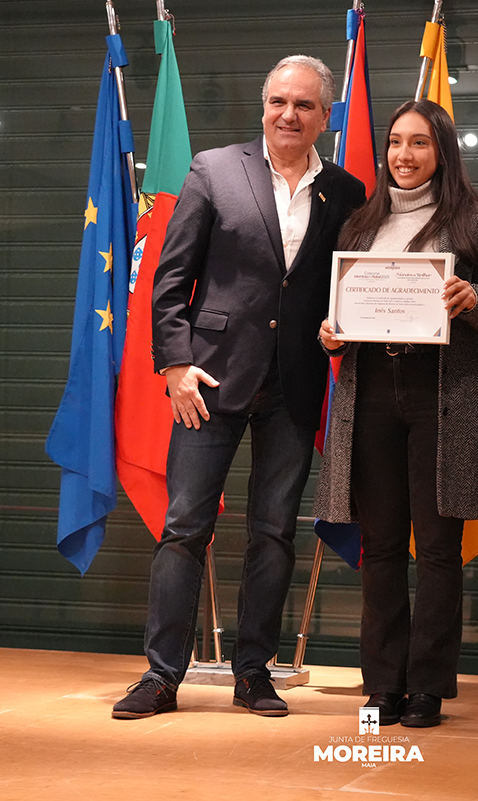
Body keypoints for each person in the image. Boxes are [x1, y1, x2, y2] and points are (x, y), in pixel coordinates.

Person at [112, 55, 365, 720]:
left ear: (326, 116)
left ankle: (253, 673)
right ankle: (161, 675)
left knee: (274, 532)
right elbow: (170, 278)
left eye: (304, 105)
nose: (289, 114)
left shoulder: (346, 191)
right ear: (263, 105)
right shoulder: (214, 170)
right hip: (209, 378)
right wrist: (174, 365)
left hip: (296, 382)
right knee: (183, 527)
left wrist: (343, 327)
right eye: (279, 101)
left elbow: (348, 286)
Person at [314, 99, 478, 728]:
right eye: (396, 142)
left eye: (420, 143)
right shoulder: (359, 223)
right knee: (379, 547)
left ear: (442, 151)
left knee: (437, 548)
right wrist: (331, 334)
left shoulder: (475, 222)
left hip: (442, 393)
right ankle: (382, 686)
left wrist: (472, 298)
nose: (405, 155)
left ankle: (427, 686)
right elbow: (340, 310)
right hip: (371, 389)